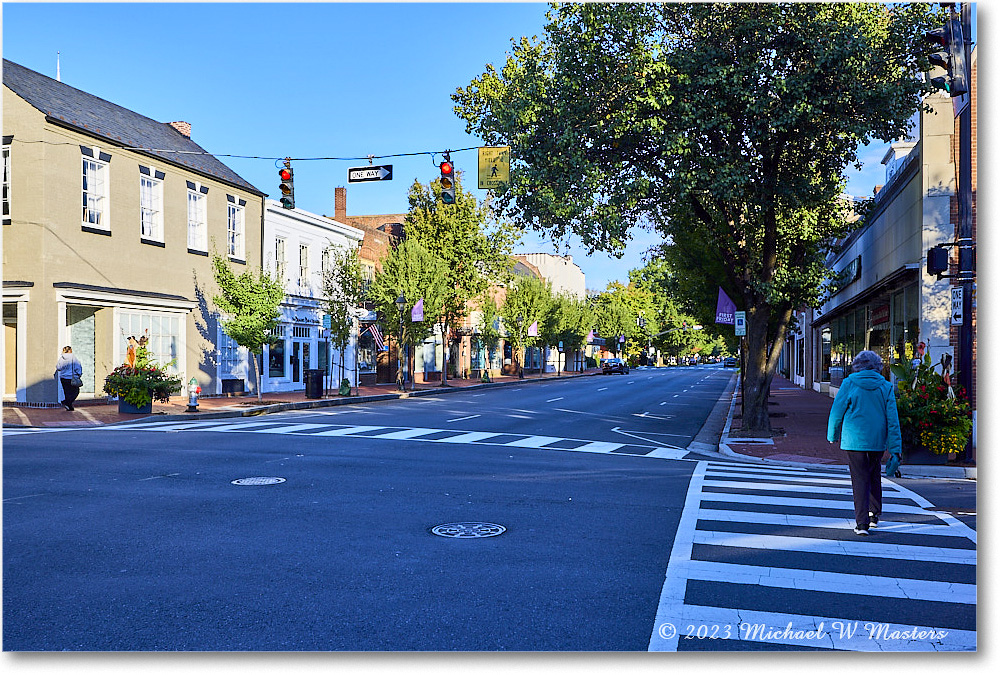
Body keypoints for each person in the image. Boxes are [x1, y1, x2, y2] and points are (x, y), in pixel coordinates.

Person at [827, 350, 902, 535]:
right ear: (878, 367)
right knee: (874, 474)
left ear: (857, 366)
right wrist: (895, 448)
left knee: (859, 479)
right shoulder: (886, 386)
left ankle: (861, 523)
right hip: (877, 439)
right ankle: (874, 514)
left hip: (854, 440)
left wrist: (833, 434)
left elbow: (837, 411)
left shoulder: (849, 383)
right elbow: (893, 420)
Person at [55, 345, 83, 411]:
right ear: (70, 350)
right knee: (75, 392)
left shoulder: (61, 358)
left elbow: (58, 367)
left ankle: (69, 406)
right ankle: (67, 402)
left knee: (67, 392)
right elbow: (78, 367)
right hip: (72, 378)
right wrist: (79, 374)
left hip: (63, 378)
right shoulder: (73, 358)